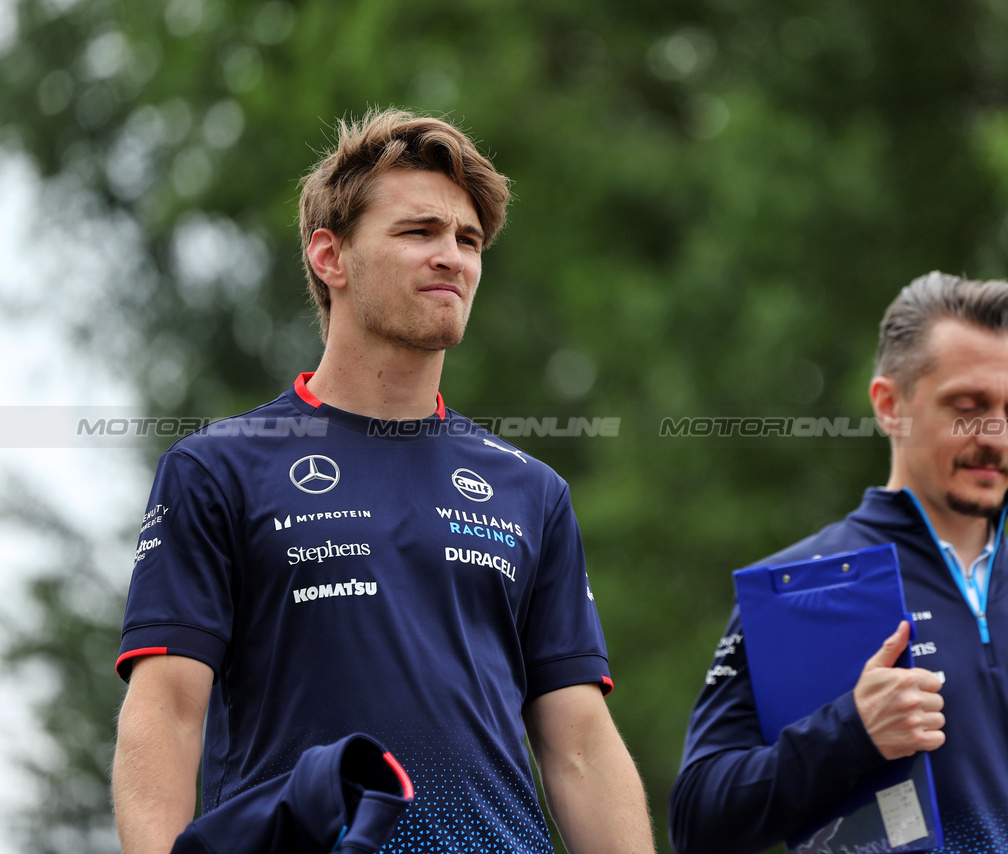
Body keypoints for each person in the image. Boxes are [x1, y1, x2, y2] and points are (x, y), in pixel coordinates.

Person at [113, 108, 656, 854]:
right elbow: (167, 715)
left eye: (468, 241)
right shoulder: (216, 469)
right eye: (418, 233)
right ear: (330, 257)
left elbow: (582, 746)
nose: (452, 258)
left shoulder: (531, 490)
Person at [669, 272, 1008, 854]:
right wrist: (850, 733)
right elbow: (697, 820)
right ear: (890, 406)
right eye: (968, 407)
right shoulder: (797, 587)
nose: (997, 436)